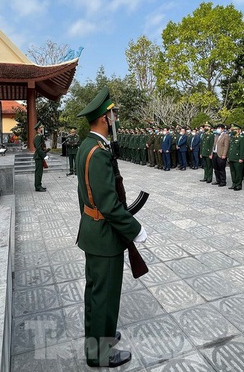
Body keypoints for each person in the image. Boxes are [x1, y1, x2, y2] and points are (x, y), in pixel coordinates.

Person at [75, 87, 147, 368]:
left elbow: (86, 195)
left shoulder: (86, 147)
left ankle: (98, 338)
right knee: (104, 296)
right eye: (113, 113)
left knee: (95, 293)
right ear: (104, 119)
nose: (115, 117)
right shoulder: (99, 152)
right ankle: (99, 354)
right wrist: (135, 229)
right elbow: (108, 204)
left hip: (92, 231)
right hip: (104, 236)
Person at [227, 124, 244, 191]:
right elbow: (230, 148)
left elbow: (242, 149)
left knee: (238, 172)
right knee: (233, 172)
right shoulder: (232, 138)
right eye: (232, 130)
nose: (233, 131)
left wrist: (241, 158)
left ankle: (238, 185)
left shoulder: (241, 138)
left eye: (235, 130)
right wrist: (228, 156)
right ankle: (234, 183)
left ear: (239, 131)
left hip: (238, 158)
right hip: (232, 157)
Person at [33, 121, 47, 192]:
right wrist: (44, 155)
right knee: (38, 172)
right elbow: (38, 148)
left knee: (40, 172)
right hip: (38, 156)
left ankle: (39, 185)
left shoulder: (39, 136)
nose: (42, 128)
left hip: (39, 156)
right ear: (38, 129)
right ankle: (38, 186)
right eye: (41, 127)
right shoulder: (38, 137)